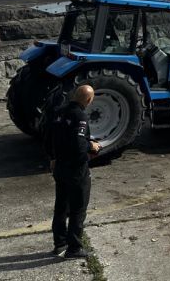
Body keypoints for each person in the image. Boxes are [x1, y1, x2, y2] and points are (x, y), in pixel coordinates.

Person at [50, 85, 100, 259]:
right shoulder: (80, 116)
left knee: (61, 206)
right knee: (78, 208)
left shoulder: (59, 112)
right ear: (89, 100)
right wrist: (91, 147)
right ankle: (74, 248)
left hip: (60, 166)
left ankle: (59, 243)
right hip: (76, 170)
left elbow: (50, 137)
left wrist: (53, 157)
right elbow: (79, 146)